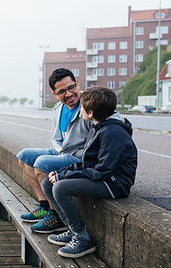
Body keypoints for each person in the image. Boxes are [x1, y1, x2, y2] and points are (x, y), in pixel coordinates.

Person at [41, 86, 138, 258]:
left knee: (60, 188)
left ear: (90, 113)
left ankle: (83, 239)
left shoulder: (112, 132)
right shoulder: (99, 126)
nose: (80, 111)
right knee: (47, 183)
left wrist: (63, 176)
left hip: (115, 183)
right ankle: (73, 229)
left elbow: (102, 170)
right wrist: (62, 172)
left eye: (82, 108)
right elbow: (88, 163)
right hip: (104, 176)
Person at [17, 68, 91, 233]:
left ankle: (56, 215)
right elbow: (55, 138)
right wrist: (57, 151)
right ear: (55, 94)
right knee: (24, 156)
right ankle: (44, 205)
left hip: (79, 156)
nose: (69, 94)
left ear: (77, 84)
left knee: (42, 164)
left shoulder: (89, 102)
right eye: (62, 91)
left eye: (72, 87)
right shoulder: (58, 108)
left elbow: (111, 115)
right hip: (61, 151)